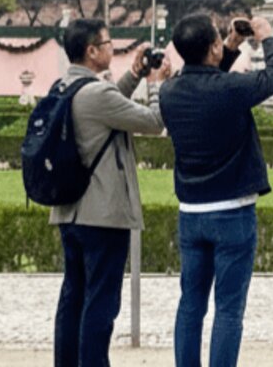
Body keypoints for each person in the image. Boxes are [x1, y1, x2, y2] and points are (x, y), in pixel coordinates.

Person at [159, 13, 273, 367]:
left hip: (191, 213)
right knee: (228, 310)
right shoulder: (230, 90)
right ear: (212, 46)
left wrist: (229, 46)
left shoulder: (168, 90)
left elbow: (208, 80)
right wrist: (266, 38)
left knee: (191, 305)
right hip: (233, 210)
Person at [50, 20, 174, 367]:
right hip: (103, 213)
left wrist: (133, 76)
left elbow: (108, 106)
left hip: (69, 209)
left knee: (73, 297)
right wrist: (156, 85)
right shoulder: (97, 94)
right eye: (107, 43)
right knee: (101, 303)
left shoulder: (64, 87)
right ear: (91, 51)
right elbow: (153, 122)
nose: (111, 48)